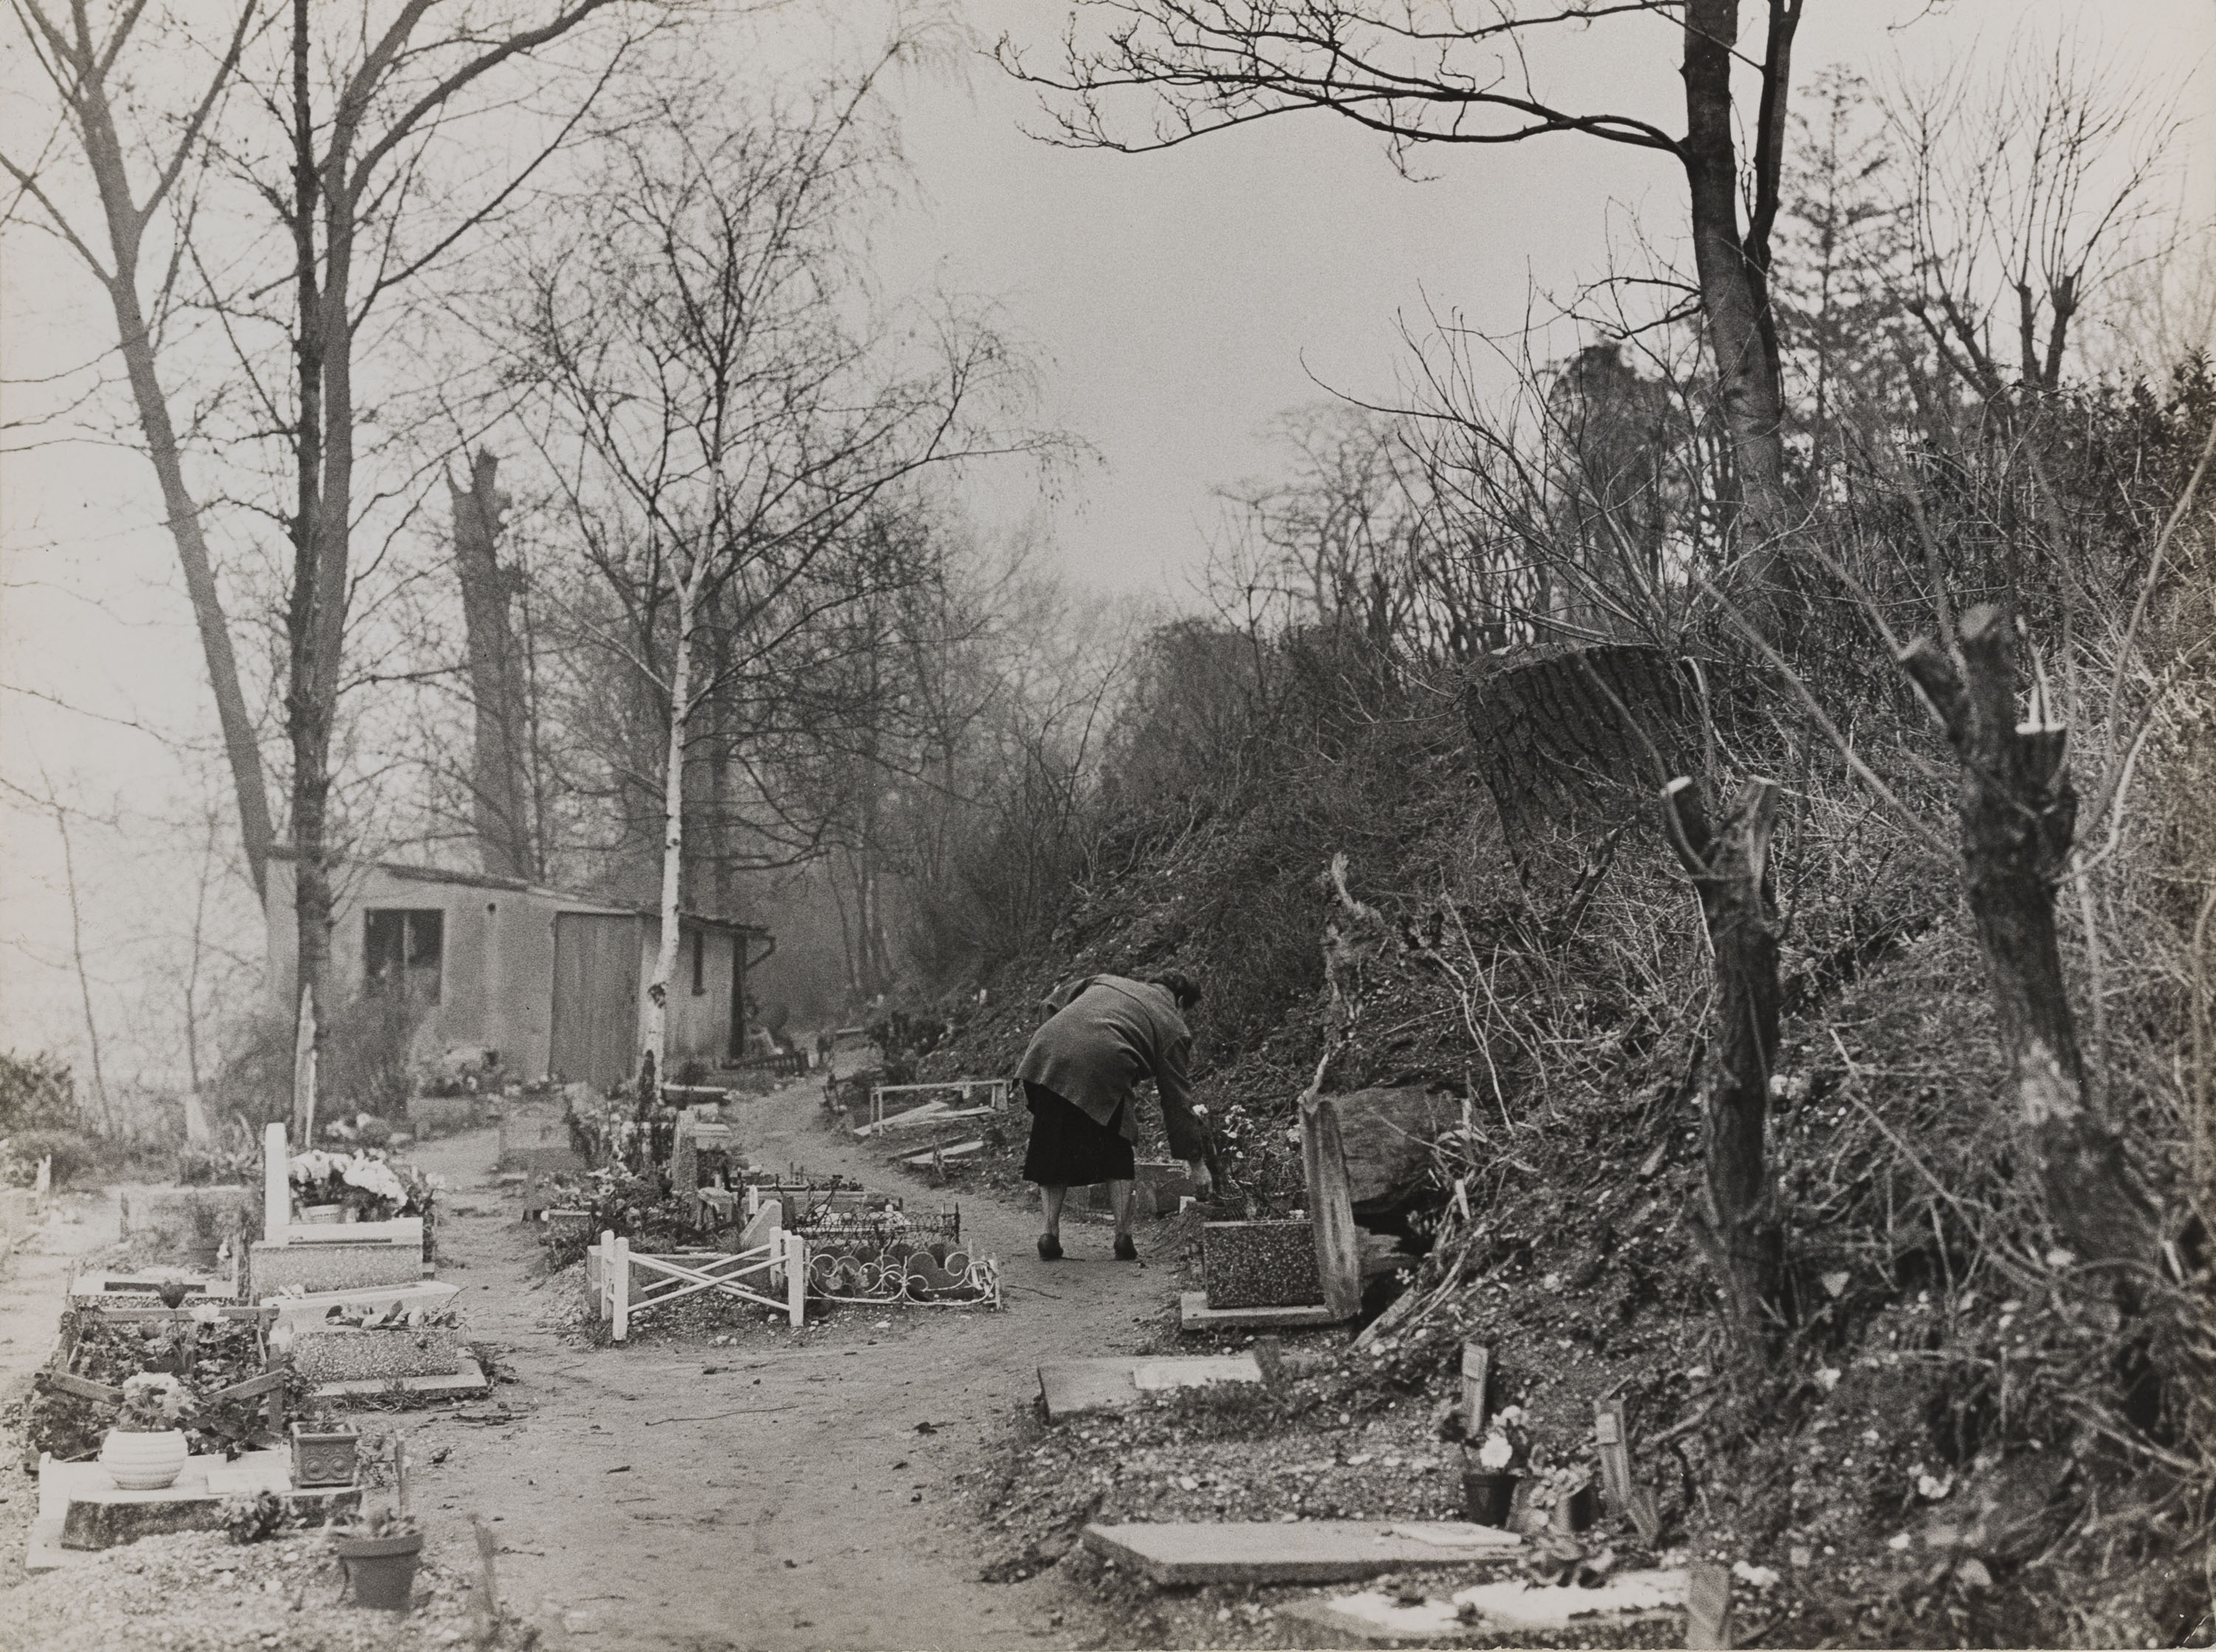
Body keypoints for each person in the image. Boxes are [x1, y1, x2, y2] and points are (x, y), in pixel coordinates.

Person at [1016, 970, 1212, 1261]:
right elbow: (1176, 1100)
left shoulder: (1106, 980)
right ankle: (1122, 1236)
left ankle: (1049, 1234)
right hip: (1106, 1060)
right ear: (1180, 1000)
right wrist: (1196, 1162)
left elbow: (1049, 1004)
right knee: (1117, 1146)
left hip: (1045, 1053)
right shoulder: (1173, 1025)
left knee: (1053, 1143)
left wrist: (1063, 1049)